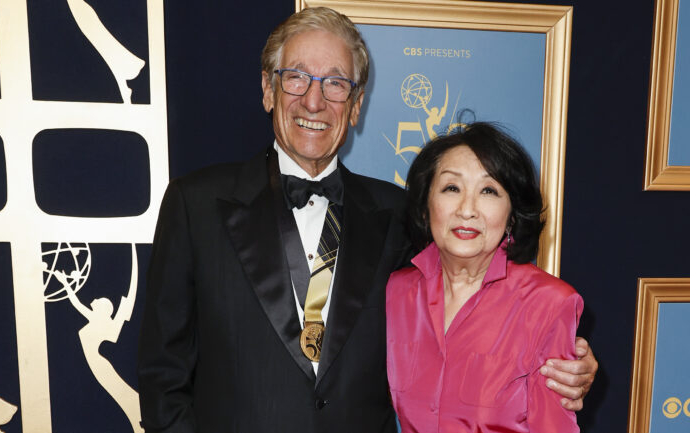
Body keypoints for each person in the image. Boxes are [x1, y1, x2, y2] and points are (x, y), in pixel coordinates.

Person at [138, 7, 596, 433]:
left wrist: (565, 361)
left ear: (356, 105)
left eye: (336, 83)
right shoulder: (194, 204)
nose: (314, 101)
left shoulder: (400, 213)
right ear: (266, 89)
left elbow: (474, 299)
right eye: (296, 77)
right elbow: (163, 375)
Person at [387, 122, 582, 432]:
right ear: (425, 206)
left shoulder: (549, 304)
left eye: (488, 191)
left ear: (512, 216)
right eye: (452, 188)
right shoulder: (396, 293)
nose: (467, 210)